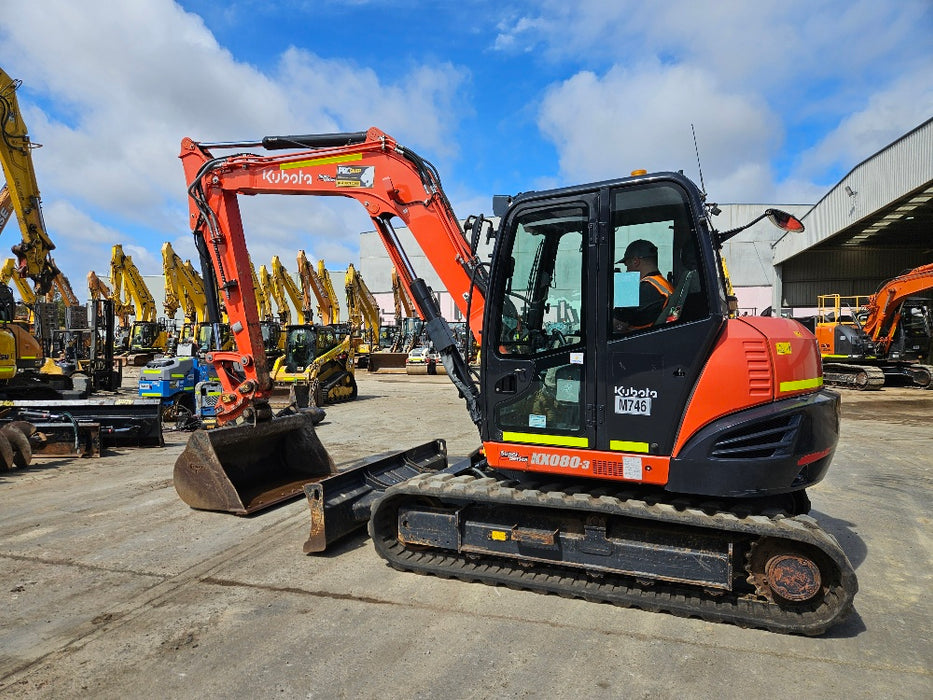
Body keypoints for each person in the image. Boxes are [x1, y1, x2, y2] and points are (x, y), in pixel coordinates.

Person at [612, 239, 674, 333]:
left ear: (635, 261)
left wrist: (623, 293)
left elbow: (615, 326)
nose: (627, 271)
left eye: (627, 265)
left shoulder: (644, 289)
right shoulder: (662, 283)